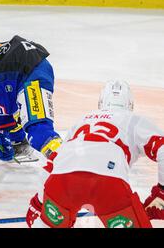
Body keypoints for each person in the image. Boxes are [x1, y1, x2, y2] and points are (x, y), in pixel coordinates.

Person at [26, 80, 164, 228]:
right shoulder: (134, 120)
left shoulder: (82, 120)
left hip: (63, 180)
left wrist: (39, 202)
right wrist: (161, 192)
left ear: (101, 103)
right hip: (108, 182)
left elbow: (56, 160)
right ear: (130, 105)